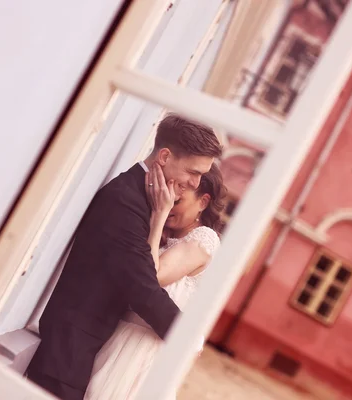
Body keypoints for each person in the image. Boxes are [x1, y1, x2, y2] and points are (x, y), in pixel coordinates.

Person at [25, 114, 222, 400]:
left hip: (90, 348)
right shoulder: (126, 203)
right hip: (69, 348)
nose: (194, 183)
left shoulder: (142, 200)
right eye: (193, 172)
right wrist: (185, 337)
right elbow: (142, 287)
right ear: (164, 156)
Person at [85, 162, 226, 400]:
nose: (169, 205)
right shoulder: (165, 237)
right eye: (166, 197)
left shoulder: (205, 238)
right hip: (120, 337)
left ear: (203, 202)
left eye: (177, 202)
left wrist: (159, 215)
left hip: (143, 348)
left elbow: (153, 277)